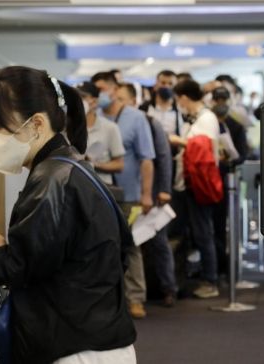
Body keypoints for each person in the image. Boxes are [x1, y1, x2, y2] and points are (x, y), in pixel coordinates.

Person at [0, 66, 136, 363]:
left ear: (36, 124)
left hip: (74, 347)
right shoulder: (71, 168)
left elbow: (20, 267)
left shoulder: (52, 181)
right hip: (94, 336)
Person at [91, 71, 155, 319]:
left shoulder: (136, 118)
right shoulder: (93, 118)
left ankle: (136, 299)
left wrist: (146, 194)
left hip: (129, 194)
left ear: (115, 89)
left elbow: (147, 159)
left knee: (131, 246)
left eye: (103, 88)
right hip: (98, 194)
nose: (100, 94)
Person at [118, 83, 179, 307]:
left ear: (134, 101)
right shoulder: (113, 123)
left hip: (151, 192)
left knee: (158, 240)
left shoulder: (150, 123)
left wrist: (163, 190)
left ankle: (168, 288)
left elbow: (162, 158)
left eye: (122, 99)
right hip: (130, 192)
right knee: (132, 242)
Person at [171, 79, 221, 299]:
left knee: (203, 233)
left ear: (183, 97)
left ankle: (210, 280)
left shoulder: (207, 118)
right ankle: (191, 275)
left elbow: (205, 150)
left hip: (199, 185)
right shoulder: (193, 120)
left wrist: (178, 141)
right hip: (187, 183)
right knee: (191, 232)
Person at [210, 86, 248, 275]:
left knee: (224, 224)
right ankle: (215, 264)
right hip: (209, 178)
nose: (221, 103)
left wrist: (228, 159)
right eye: (218, 100)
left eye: (224, 100)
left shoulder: (236, 124)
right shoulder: (207, 122)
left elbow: (242, 154)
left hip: (227, 179)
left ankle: (226, 265)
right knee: (212, 225)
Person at [77, 81, 125, 185]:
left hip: (101, 188)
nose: (77, 100)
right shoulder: (68, 128)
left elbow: (119, 165)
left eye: (82, 97)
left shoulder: (110, 128)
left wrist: (92, 164)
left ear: (94, 102)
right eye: (75, 96)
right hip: (75, 187)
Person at [139, 70, 182, 137]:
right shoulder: (144, 108)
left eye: (170, 84)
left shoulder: (180, 111)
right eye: (163, 83)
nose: (166, 87)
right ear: (156, 85)